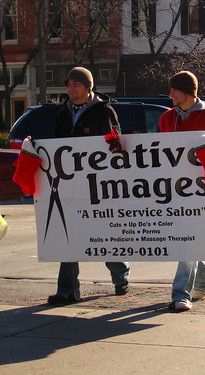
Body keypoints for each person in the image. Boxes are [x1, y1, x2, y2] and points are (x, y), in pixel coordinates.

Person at [47, 67, 130, 305]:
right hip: (70, 184)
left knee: (103, 234)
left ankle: (120, 275)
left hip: (99, 187)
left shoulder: (104, 112)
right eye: (69, 84)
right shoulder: (63, 113)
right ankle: (67, 290)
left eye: (76, 84)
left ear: (88, 87)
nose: (71, 89)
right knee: (68, 234)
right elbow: (56, 147)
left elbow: (117, 148)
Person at [158, 71, 205, 312]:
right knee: (187, 238)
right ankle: (204, 278)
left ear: (189, 92)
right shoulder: (166, 119)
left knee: (187, 238)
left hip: (201, 190)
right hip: (172, 188)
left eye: (174, 90)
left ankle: (180, 293)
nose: (170, 94)